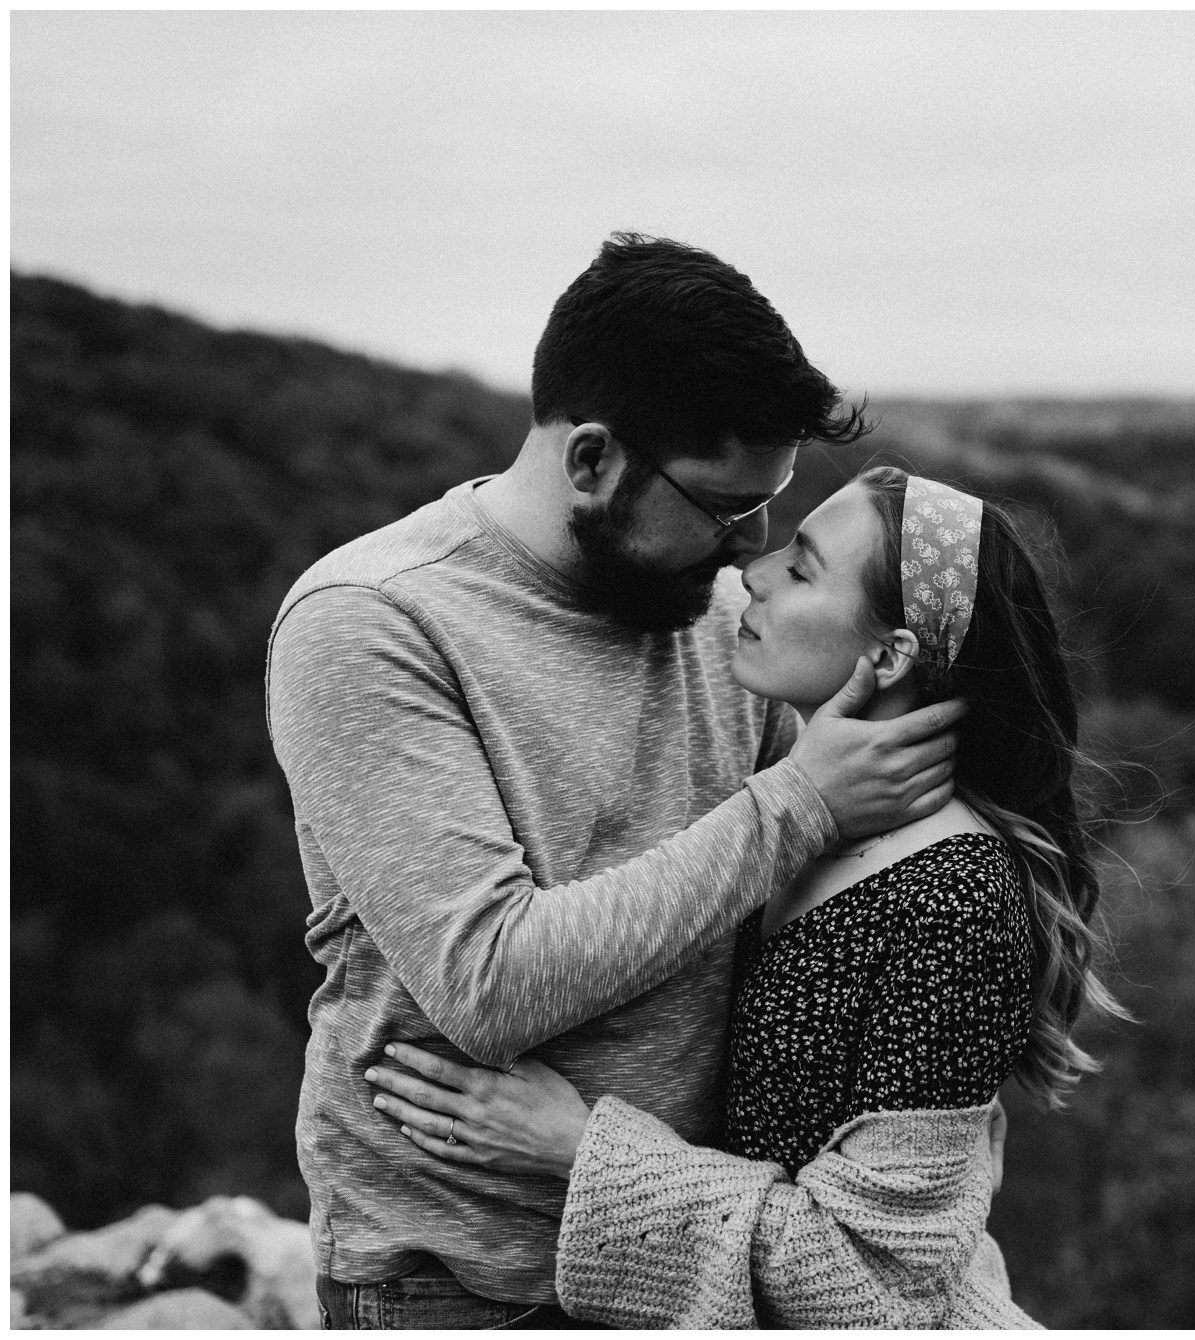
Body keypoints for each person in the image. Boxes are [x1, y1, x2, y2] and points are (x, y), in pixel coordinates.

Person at [266, 236, 967, 1328]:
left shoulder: (720, 621)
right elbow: (488, 982)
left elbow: (815, 893)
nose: (750, 546)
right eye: (725, 505)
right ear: (591, 459)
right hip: (460, 1280)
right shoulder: (372, 622)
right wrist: (801, 801)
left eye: (770, 505)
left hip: (681, 1250)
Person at [363, 467, 1127, 1327]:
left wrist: (580, 1152)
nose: (752, 574)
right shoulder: (809, 811)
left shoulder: (952, 898)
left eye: (801, 569)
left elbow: (875, 1288)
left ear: (889, 655)